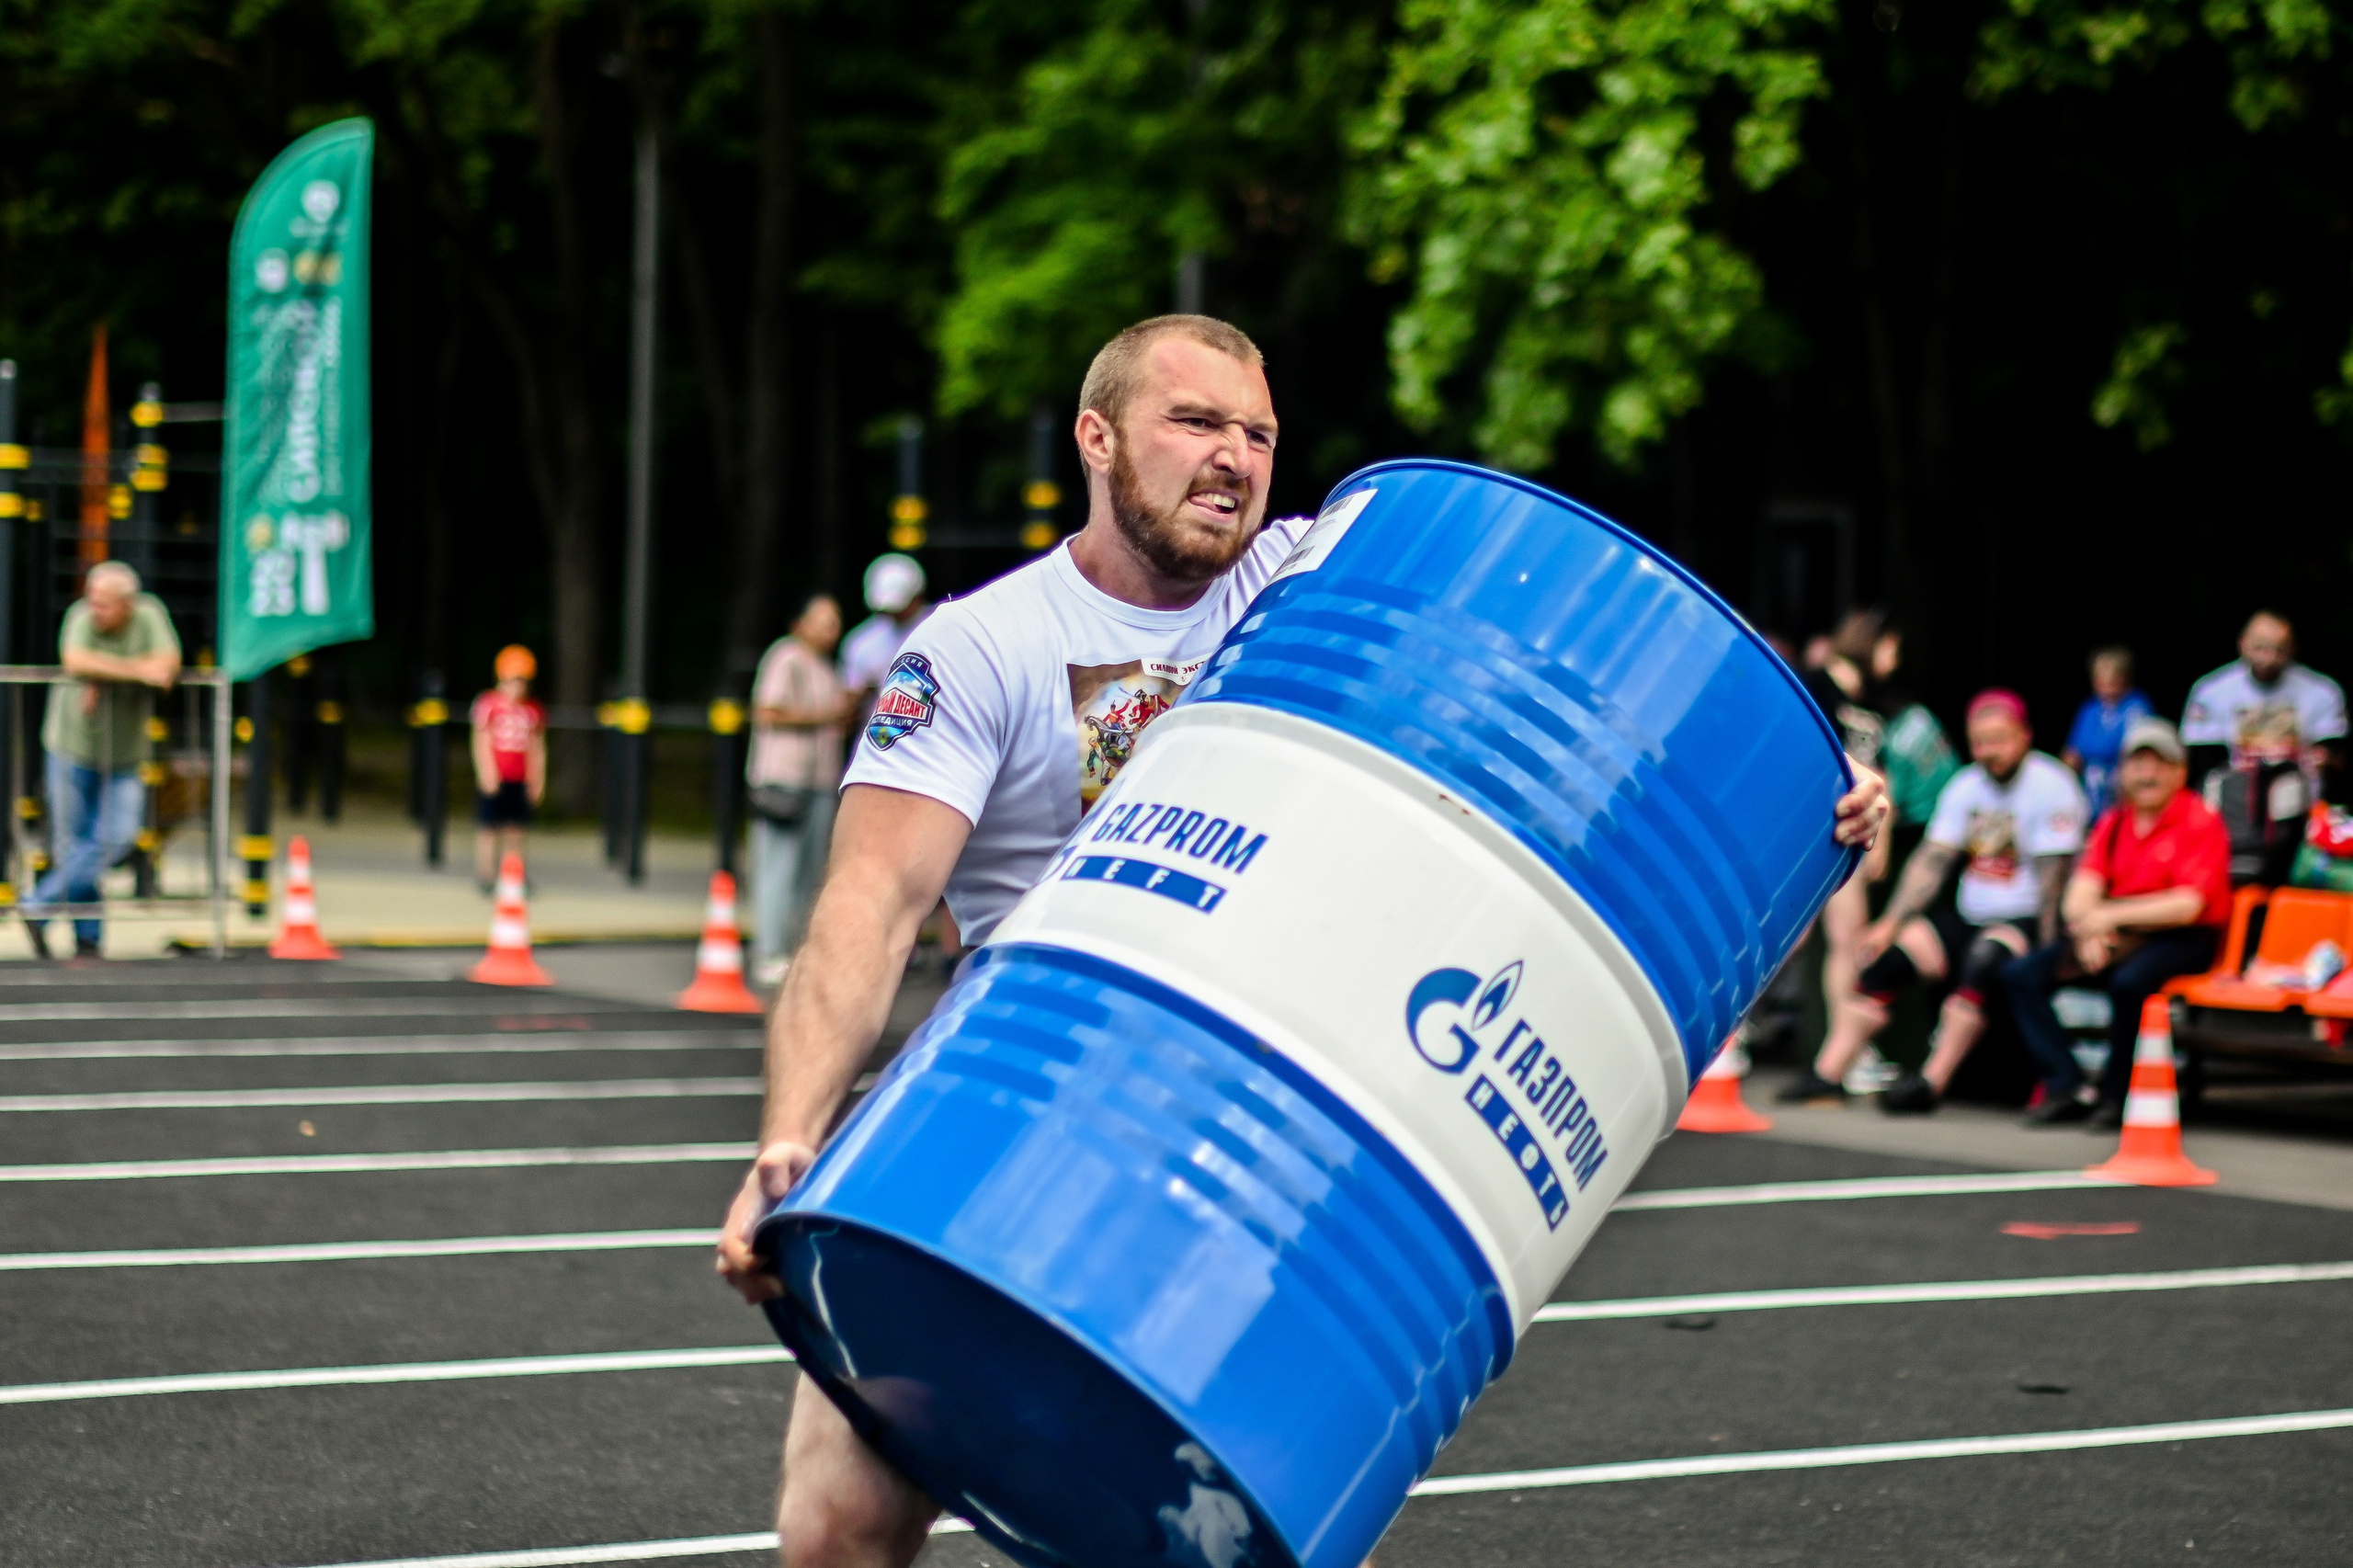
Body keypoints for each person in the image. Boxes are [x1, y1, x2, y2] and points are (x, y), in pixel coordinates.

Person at [708, 312, 1892, 1568]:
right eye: (1198, 422)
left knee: (1222, 1536)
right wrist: (792, 1133)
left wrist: (1807, 795)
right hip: (1023, 1110)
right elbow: (870, 905)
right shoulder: (984, 649)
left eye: (1259, 433)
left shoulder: (1323, 577)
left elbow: (1583, 719)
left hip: (1272, 1136)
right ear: (1098, 437)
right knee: (835, 1531)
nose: (1235, 455)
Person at [1786, 690, 2084, 1115]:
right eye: (1980, 741)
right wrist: (1889, 924)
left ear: (2024, 736)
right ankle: (1827, 1074)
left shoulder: (2052, 785)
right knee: (1887, 962)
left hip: (2026, 920)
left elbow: (2055, 880)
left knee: (1983, 961)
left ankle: (1929, 1083)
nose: (1989, 752)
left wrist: (2051, 951)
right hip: (1971, 915)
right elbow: (1931, 863)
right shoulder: (1966, 784)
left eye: (1999, 740)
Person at [2001, 717, 2228, 1129]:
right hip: (2116, 933)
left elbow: (2187, 906)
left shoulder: (2200, 819)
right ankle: (2064, 1083)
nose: (2147, 774)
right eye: (2138, 764)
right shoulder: (2114, 821)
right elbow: (2081, 892)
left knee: (2128, 984)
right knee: (2021, 975)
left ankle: (2115, 1096)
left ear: (2180, 772)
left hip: (2184, 937)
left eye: (2159, 764)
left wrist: (2107, 917)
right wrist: (2091, 928)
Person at [21, 561, 179, 958]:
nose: (95, 609)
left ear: (129, 604)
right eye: (92, 600)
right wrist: (135, 670)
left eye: (106, 604)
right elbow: (75, 660)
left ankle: (39, 905)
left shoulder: (150, 614)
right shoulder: (80, 616)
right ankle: (88, 938)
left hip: (125, 754)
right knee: (72, 844)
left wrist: (107, 672)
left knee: (117, 836)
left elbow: (167, 667)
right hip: (70, 746)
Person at [2183, 612, 2343, 884]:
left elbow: (2338, 761)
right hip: (2230, 814)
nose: (2268, 657)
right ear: (2242, 643)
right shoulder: (2212, 690)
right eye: (2260, 647)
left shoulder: (2322, 691)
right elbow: (2200, 764)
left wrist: (2326, 760)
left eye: (2278, 650)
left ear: (2292, 649)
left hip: (2300, 817)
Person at [747, 594, 854, 983]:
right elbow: (767, 711)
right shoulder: (786, 656)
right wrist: (828, 715)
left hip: (820, 780)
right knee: (777, 867)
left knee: (809, 871)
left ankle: (794, 950)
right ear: (800, 624)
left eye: (835, 620)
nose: (832, 629)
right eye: (823, 620)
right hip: (785, 778)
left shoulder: (826, 668)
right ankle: (769, 952)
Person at [469, 646, 545, 891]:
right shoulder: (489, 704)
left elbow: (537, 746)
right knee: (489, 829)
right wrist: (486, 772)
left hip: (519, 779)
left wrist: (537, 779)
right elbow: (481, 739)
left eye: (522, 681)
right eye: (513, 680)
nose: (517, 687)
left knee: (517, 830)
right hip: (496, 777)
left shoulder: (532, 710)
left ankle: (515, 875)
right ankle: (486, 875)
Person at [2062, 646, 2154, 818]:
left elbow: (2135, 755)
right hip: (2090, 792)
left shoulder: (2137, 707)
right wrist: (2061, 781)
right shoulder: (2090, 709)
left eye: (2113, 680)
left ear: (2125, 678)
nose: (2105, 687)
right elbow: (2073, 753)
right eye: (2100, 680)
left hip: (2122, 791)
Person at [838, 553, 930, 712]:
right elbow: (850, 698)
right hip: (881, 732)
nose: (894, 614)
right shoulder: (861, 641)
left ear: (918, 597)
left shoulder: (941, 628)